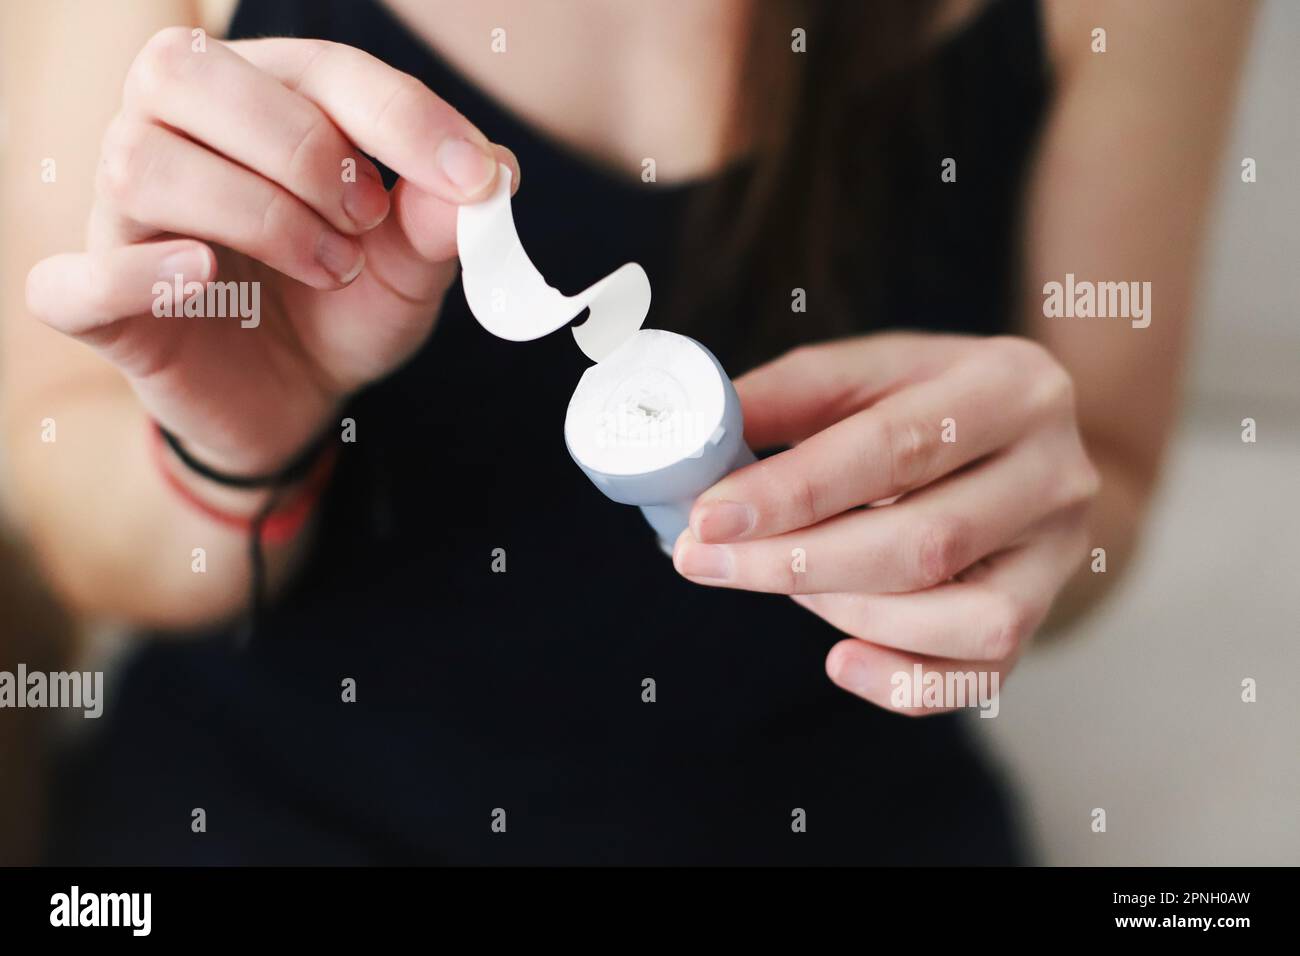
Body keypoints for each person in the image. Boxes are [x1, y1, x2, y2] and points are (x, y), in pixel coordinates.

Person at [0, 0, 1254, 864]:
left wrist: (1010, 530)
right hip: (277, 808)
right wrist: (230, 449)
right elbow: (73, 524)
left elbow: (1110, 481)